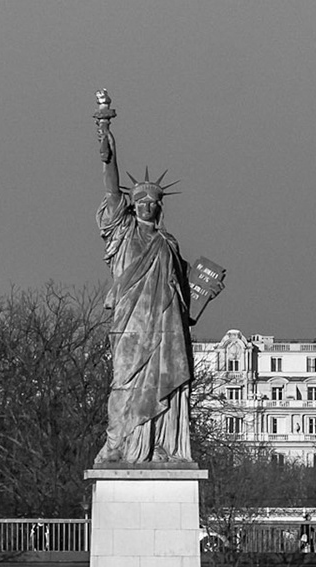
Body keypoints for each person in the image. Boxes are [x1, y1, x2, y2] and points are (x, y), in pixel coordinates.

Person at [92, 99, 220, 467]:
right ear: (132, 206)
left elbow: (184, 306)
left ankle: (162, 446)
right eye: (141, 201)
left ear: (160, 208)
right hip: (130, 327)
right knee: (124, 386)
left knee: (166, 381)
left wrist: (204, 295)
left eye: (153, 202)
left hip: (166, 330)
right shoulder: (122, 231)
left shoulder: (169, 244)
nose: (147, 206)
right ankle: (119, 445)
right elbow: (111, 188)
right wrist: (105, 138)